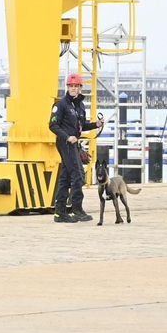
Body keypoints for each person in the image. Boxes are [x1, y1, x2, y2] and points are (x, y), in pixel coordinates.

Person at [49, 72, 102, 223]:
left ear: (80, 88)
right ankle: (76, 210)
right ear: (67, 87)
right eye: (70, 86)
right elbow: (53, 125)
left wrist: (96, 125)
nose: (73, 88)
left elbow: (81, 125)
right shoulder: (60, 105)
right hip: (65, 143)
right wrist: (67, 137)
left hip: (74, 144)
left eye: (76, 86)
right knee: (78, 176)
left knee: (65, 177)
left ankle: (60, 213)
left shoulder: (79, 105)